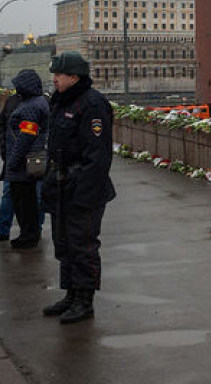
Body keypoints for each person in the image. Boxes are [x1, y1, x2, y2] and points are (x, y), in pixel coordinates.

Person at [41, 51, 116, 324]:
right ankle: (71, 294)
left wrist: (84, 193)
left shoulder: (92, 105)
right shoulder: (62, 102)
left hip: (82, 188)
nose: (54, 79)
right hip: (61, 185)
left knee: (82, 244)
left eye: (58, 74)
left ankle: (85, 301)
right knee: (64, 243)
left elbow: (98, 158)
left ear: (74, 76)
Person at [5, 70, 49, 249]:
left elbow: (25, 136)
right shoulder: (35, 102)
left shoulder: (31, 106)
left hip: (23, 162)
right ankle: (29, 233)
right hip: (26, 160)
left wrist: (13, 161)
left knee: (24, 202)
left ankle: (28, 235)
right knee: (26, 200)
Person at [0, 92, 22, 241]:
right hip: (11, 157)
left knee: (36, 196)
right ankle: (3, 229)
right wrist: (4, 148)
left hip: (33, 159)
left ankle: (33, 230)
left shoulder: (40, 102)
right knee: (8, 194)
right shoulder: (11, 102)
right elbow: (2, 126)